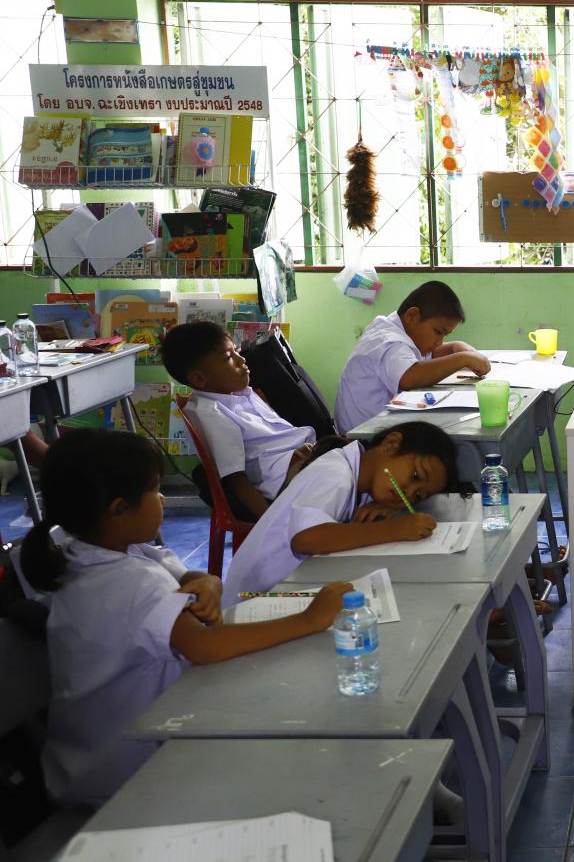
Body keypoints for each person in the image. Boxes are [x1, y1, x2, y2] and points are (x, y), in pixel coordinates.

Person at [18, 428, 351, 806]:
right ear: (118, 508)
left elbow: (187, 577)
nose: (162, 498)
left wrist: (207, 583)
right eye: (154, 489)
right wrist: (310, 619)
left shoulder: (101, 553)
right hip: (120, 774)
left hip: (101, 752)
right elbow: (205, 646)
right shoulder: (125, 583)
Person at [223, 421, 461, 598]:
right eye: (415, 475)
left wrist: (383, 506)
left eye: (418, 495)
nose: (408, 492)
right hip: (256, 597)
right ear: (391, 444)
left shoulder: (365, 478)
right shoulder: (336, 474)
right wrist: (395, 529)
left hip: (292, 583)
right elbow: (306, 539)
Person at [164, 321, 316, 520]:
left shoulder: (239, 394)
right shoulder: (212, 412)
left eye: (236, 351)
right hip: (288, 479)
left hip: (303, 461)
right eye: (228, 358)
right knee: (360, 467)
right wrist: (270, 521)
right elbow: (235, 479)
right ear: (200, 379)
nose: (241, 360)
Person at [334, 281, 491, 434]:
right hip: (361, 441)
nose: (439, 342)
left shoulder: (400, 331)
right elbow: (411, 377)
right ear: (412, 315)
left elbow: (425, 357)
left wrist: (455, 347)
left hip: (376, 429)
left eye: (445, 335)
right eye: (437, 332)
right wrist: (463, 358)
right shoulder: (388, 341)